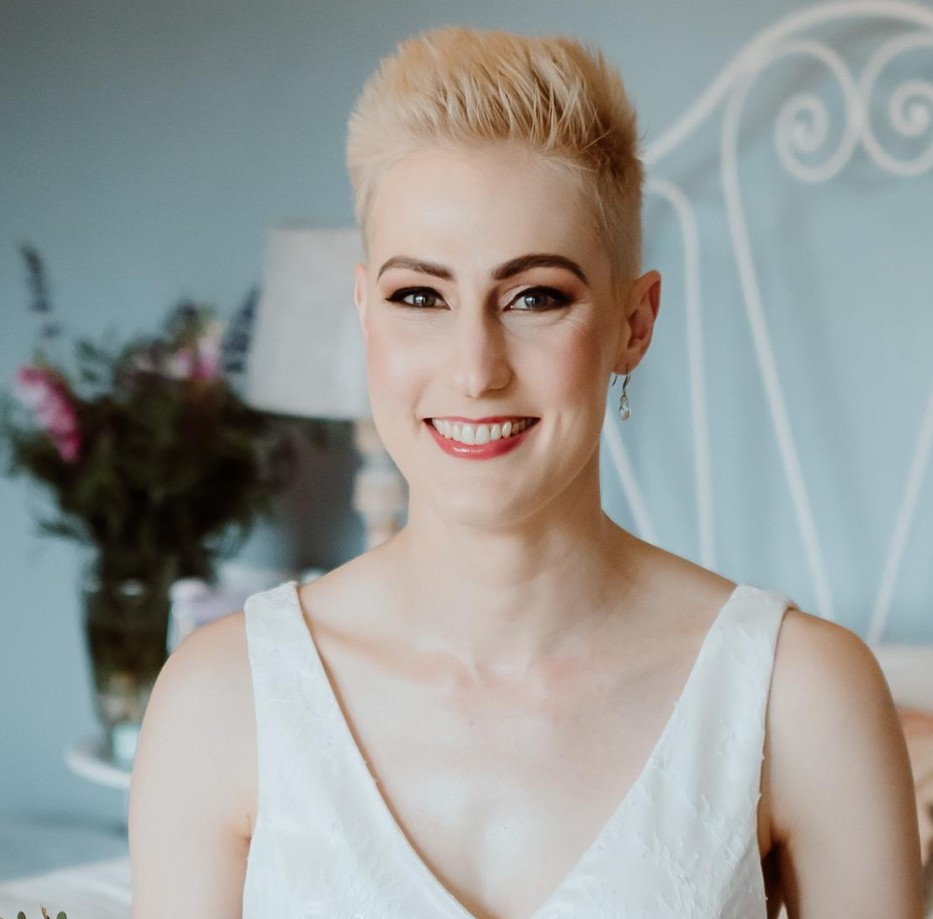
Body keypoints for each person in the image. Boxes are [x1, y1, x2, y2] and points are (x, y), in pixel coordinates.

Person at [127, 26, 923, 919]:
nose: (475, 368)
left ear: (634, 320)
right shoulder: (219, 699)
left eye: (535, 296)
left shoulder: (801, 697)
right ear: (365, 314)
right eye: (419, 296)